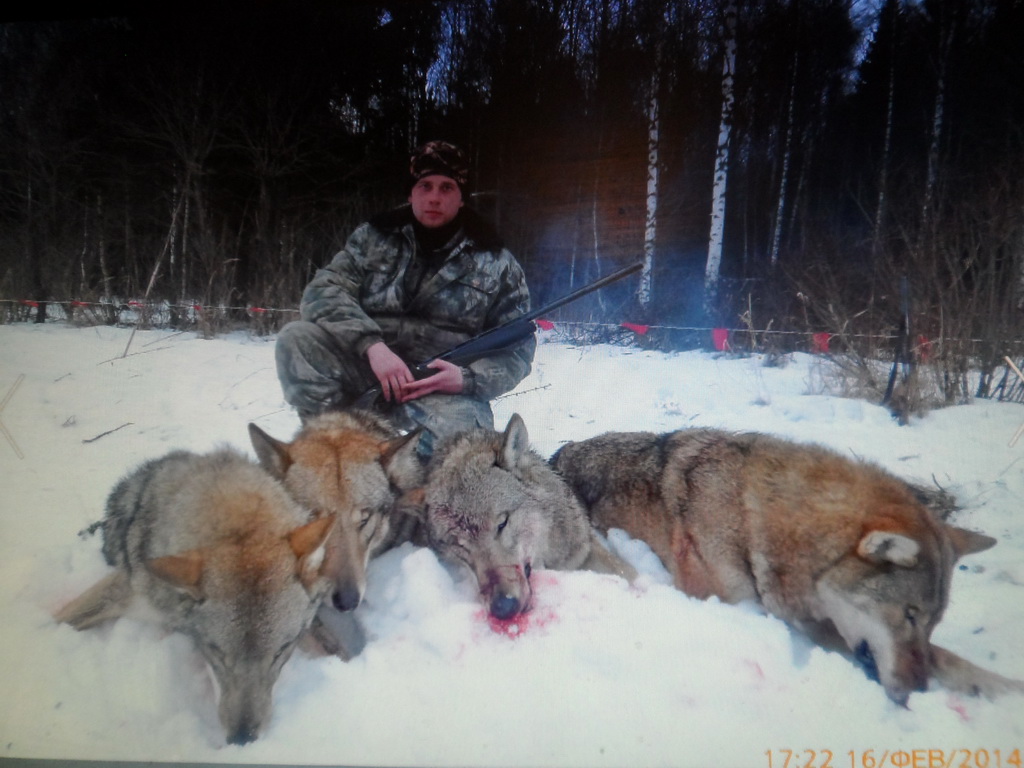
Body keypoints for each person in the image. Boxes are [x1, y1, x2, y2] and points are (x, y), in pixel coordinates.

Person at [275, 140, 535, 455]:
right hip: (367, 371)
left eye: (447, 187)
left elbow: (517, 351)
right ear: (411, 193)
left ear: (462, 198)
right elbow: (323, 292)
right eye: (425, 186)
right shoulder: (373, 238)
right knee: (297, 339)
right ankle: (332, 451)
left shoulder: (497, 261)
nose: (434, 197)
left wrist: (466, 379)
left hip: (440, 392)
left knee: (462, 450)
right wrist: (372, 347)